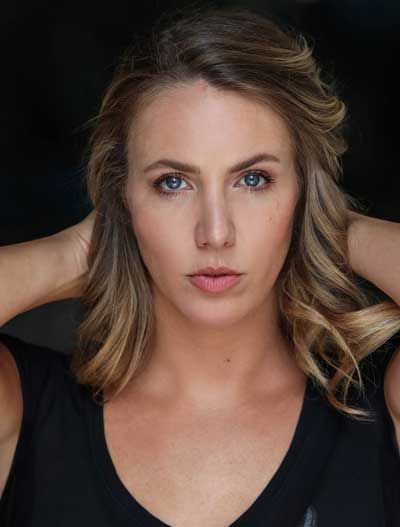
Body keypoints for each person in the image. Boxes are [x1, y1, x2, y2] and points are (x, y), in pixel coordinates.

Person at [1, 5, 400, 527]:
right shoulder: (26, 412)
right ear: (123, 198)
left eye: (253, 180)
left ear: (302, 192)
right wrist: (72, 252)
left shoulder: (376, 413)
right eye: (173, 183)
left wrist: (327, 225)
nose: (215, 233)